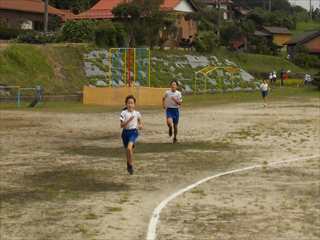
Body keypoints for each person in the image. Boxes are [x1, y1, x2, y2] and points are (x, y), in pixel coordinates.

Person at [120, 95, 143, 175]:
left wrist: (140, 125)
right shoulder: (123, 113)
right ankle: (128, 164)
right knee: (128, 151)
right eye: (128, 103)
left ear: (134, 104)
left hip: (133, 132)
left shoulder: (137, 113)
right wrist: (128, 120)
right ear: (126, 104)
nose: (130, 105)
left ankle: (130, 165)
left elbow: (140, 121)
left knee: (129, 149)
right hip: (125, 133)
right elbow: (121, 125)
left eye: (132, 103)